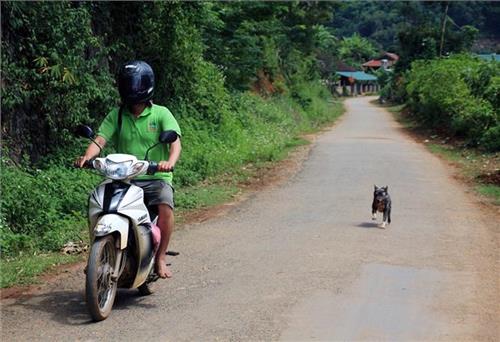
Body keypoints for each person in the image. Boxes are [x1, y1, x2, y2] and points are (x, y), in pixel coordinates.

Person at [76, 60, 181, 279]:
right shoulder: (117, 115)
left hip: (155, 176)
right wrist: (87, 157)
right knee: (98, 202)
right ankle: (97, 254)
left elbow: (175, 143)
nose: (132, 88)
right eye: (129, 84)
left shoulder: (161, 113)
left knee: (165, 206)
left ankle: (160, 258)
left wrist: (169, 162)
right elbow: (100, 140)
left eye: (135, 84)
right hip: (124, 177)